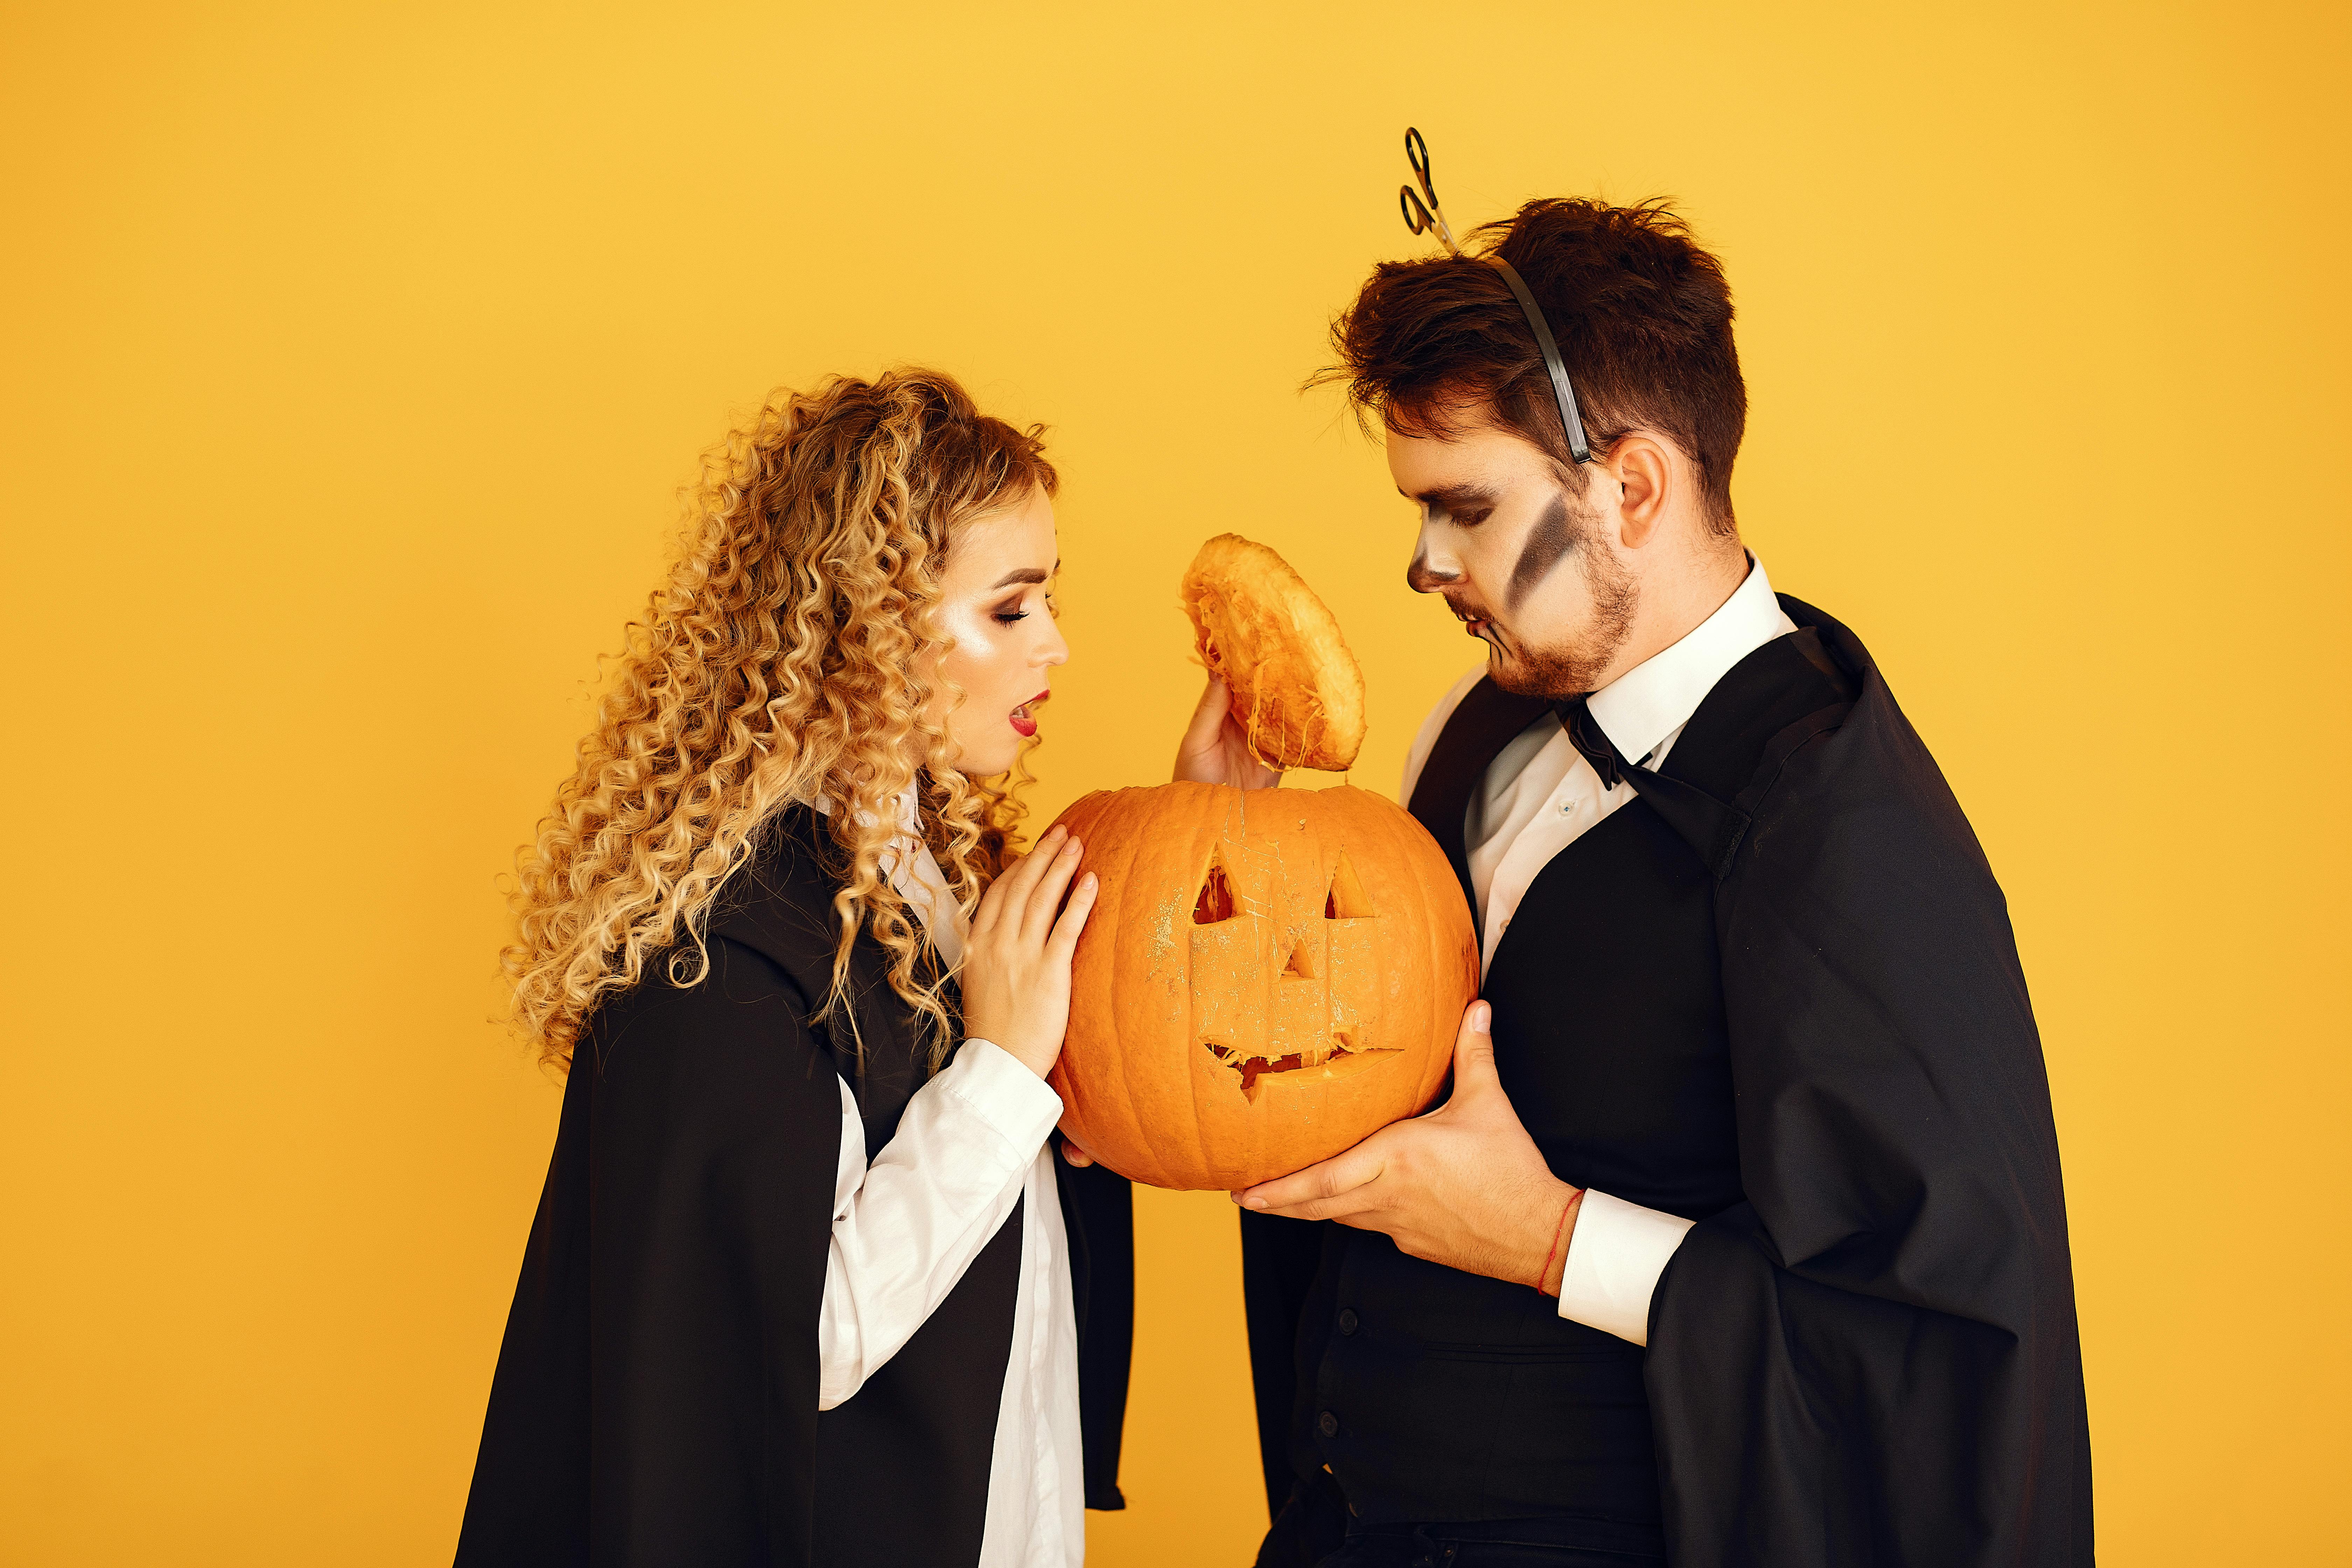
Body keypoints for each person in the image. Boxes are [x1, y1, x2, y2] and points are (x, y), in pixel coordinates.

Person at [1214, 198, 2092, 1565]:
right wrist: (1219, 853)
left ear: (1630, 487)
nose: (1424, 564)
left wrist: (1553, 1237)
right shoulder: (1470, 721)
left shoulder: (1839, 829)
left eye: (1468, 507)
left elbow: (1936, 1350)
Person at [453, 368, 1133, 1568]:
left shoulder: (940, 880)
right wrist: (998, 1077)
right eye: (1013, 609)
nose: (1059, 647)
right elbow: (783, 1342)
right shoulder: (718, 952)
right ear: (872, 625)